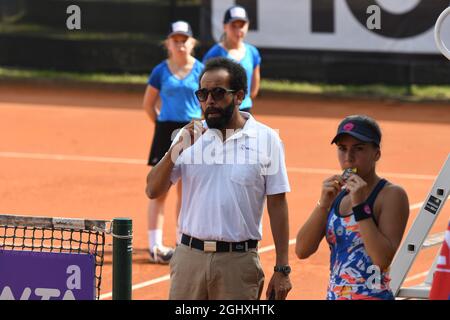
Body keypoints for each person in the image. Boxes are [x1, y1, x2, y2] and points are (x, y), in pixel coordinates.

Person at [146, 57, 292, 300]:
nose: (209, 101)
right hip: (188, 260)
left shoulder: (267, 140)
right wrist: (175, 151)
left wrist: (282, 269)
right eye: (203, 94)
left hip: (238, 263)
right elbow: (152, 190)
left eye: (218, 93)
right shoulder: (187, 136)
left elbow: (278, 205)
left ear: (239, 96)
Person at [295, 115, 410, 300]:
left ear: (377, 154)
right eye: (342, 149)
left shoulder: (391, 195)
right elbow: (302, 250)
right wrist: (323, 204)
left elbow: (382, 259)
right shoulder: (336, 195)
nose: (348, 157)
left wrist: (360, 205)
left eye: (359, 149)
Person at [143, 21, 204, 264]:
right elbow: (148, 105)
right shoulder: (160, 70)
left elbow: (207, 104)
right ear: (168, 43)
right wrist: (161, 127)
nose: (180, 44)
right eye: (175, 40)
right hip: (166, 131)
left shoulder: (201, 70)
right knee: (159, 191)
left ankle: (182, 242)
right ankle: (154, 246)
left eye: (184, 40)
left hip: (192, 131)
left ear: (192, 43)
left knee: (186, 191)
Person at [202, 5, 261, 114]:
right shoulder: (215, 53)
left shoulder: (253, 52)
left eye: (242, 25)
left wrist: (244, 100)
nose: (238, 30)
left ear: (247, 26)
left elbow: (254, 87)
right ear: (225, 27)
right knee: (224, 132)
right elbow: (203, 84)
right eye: (233, 25)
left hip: (245, 109)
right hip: (221, 110)